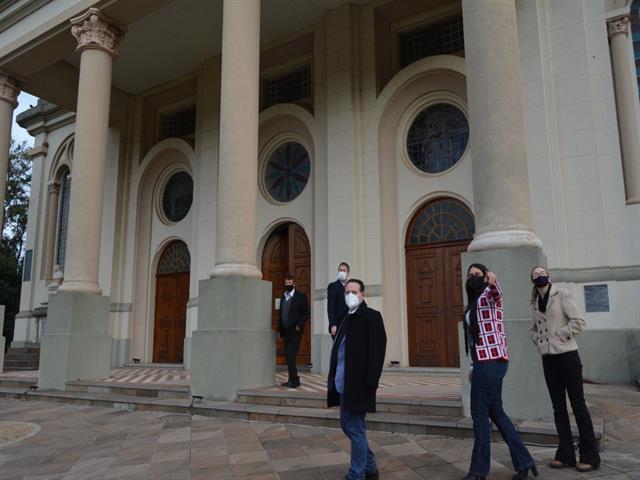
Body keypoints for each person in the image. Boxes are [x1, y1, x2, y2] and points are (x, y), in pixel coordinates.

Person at [463, 263, 537, 480]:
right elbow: (476, 340)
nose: (473, 278)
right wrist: (472, 365)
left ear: (485, 277)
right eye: (470, 276)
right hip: (485, 362)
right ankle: (524, 462)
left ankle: (478, 472)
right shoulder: (474, 303)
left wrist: (493, 280)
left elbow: (497, 293)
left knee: (479, 416)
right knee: (497, 413)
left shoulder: (488, 295)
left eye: (477, 274)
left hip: (491, 363)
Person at [529, 266, 600, 472]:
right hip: (548, 358)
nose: (540, 276)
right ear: (532, 280)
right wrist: (537, 340)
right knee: (558, 408)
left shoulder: (562, 294)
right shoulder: (534, 304)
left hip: (568, 356)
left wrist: (560, 334)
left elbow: (579, 321)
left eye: (542, 273)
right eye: (536, 274)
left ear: (548, 277)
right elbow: (533, 328)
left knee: (578, 405)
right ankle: (565, 453)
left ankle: (590, 455)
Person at [327, 279, 386, 480]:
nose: (350, 295)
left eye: (354, 291)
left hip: (360, 384)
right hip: (343, 383)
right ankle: (369, 466)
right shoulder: (345, 317)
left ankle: (356, 474)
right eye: (347, 292)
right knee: (347, 425)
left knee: (356, 427)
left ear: (363, 294)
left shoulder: (372, 317)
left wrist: (371, 381)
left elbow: (378, 350)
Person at [278, 274, 310, 388]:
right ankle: (293, 379)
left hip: (295, 331)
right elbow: (281, 313)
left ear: (294, 283)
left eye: (289, 283)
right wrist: (280, 330)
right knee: (288, 355)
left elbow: (306, 313)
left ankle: (294, 380)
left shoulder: (300, 296)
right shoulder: (283, 296)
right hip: (286, 331)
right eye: (286, 283)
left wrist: (298, 325)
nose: (287, 285)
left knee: (290, 354)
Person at [327, 262, 350, 337]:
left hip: (349, 323)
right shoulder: (333, 286)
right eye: (340, 270)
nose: (342, 272)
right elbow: (330, 307)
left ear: (348, 273)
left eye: (344, 270)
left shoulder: (350, 286)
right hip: (337, 324)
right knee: (339, 348)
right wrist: (333, 324)